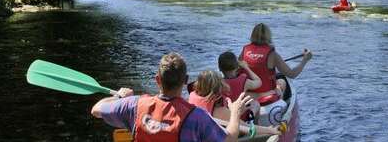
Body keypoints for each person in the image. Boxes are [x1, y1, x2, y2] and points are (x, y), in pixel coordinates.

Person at [91, 53, 251, 142]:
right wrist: (235, 114)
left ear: (157, 80)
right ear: (186, 81)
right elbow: (229, 140)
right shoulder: (197, 117)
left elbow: (96, 110)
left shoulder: (134, 105)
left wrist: (119, 96)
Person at [188, 70, 280, 136]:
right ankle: (258, 128)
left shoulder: (192, 96)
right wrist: (271, 130)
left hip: (203, 133)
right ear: (218, 88)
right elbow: (246, 127)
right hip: (228, 135)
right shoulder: (218, 110)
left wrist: (235, 112)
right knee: (255, 105)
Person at [240, 23, 312, 103]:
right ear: (268, 36)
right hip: (267, 94)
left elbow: (237, 70)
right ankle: (282, 106)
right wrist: (305, 60)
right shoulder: (272, 55)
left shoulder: (244, 51)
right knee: (282, 81)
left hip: (249, 94)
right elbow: (292, 74)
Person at [218, 51, 261, 118]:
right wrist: (246, 68)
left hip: (225, 116)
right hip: (240, 116)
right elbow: (259, 82)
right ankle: (253, 124)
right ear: (237, 66)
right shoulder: (243, 81)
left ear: (220, 68)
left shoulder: (217, 83)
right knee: (256, 103)